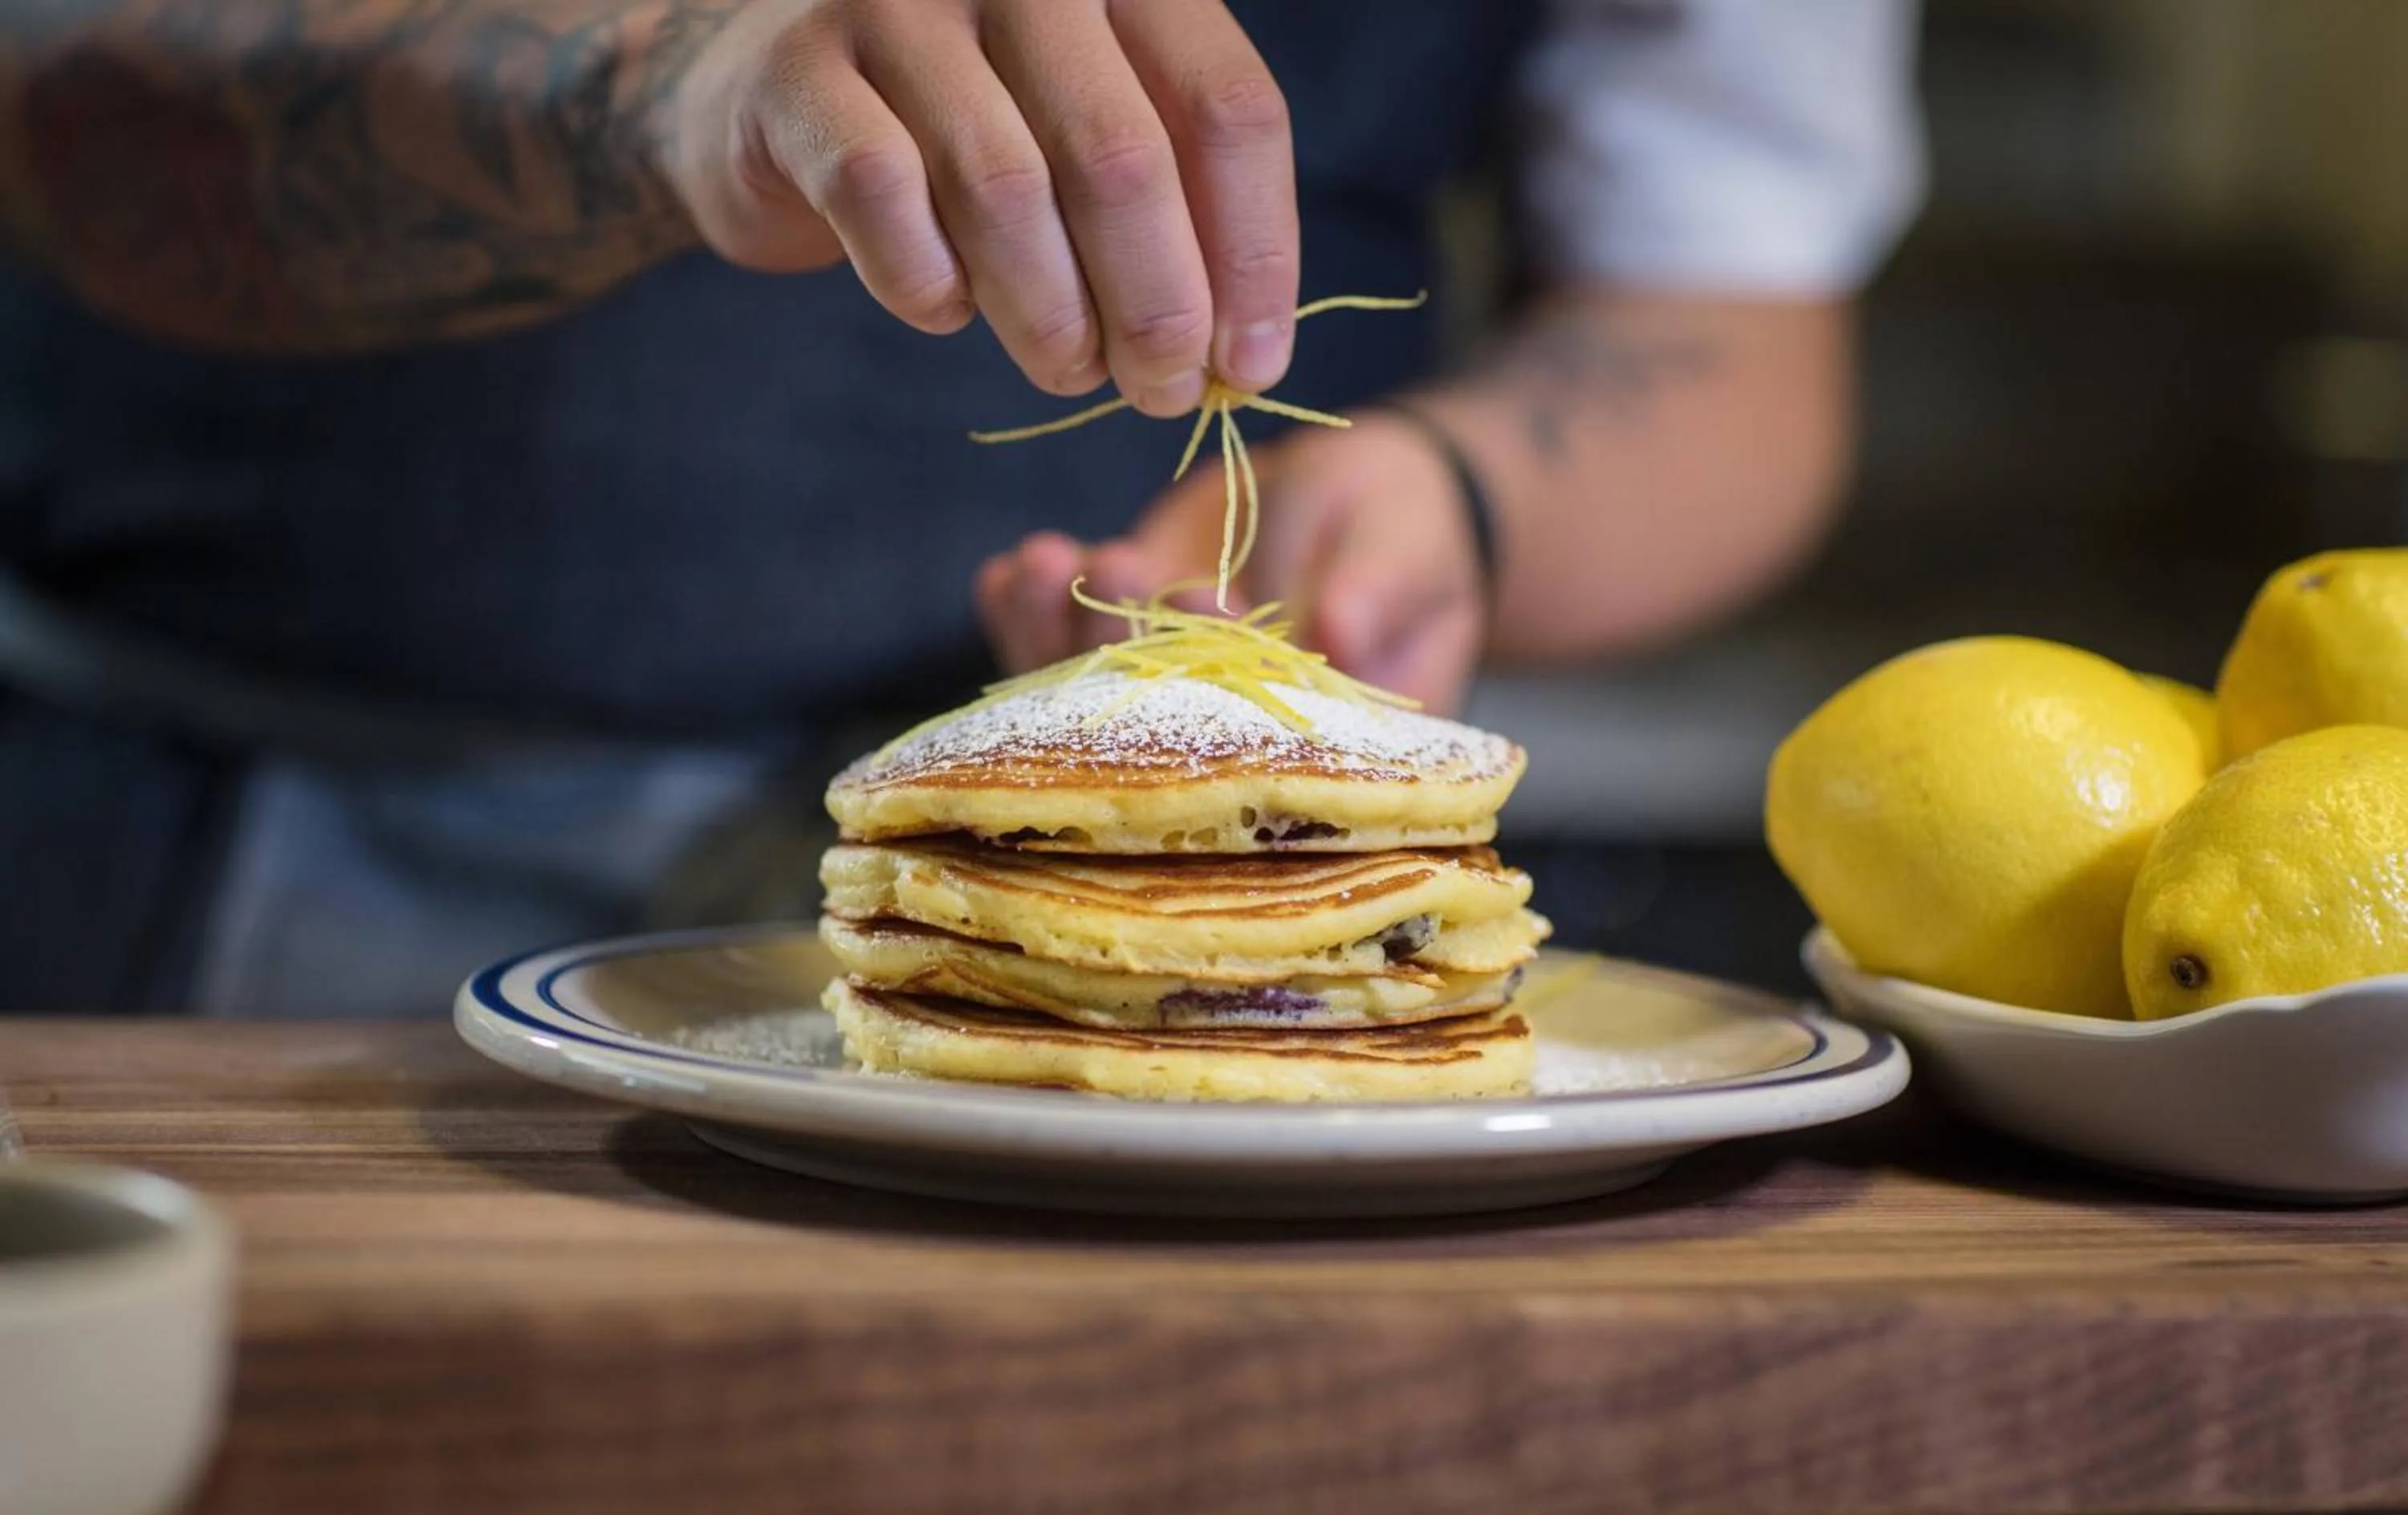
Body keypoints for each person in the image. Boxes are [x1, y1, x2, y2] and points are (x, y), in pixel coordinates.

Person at [0, 0, 1921, 1013]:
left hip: (1120, 947)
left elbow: (1729, 333)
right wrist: (666, 88)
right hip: (182, 859)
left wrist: (1451, 491)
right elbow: (63, 117)